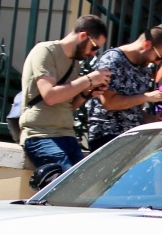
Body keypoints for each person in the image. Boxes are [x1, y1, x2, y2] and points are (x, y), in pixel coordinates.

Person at [18, 14, 111, 172]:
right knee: (66, 184)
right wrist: (88, 79)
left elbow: (68, 106)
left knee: (85, 182)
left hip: (66, 134)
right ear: (83, 36)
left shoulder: (75, 64)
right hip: (40, 134)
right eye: (94, 47)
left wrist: (86, 93)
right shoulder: (45, 51)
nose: (94, 53)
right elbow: (50, 96)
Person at [85, 27, 162, 151]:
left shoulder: (143, 68)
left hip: (132, 138)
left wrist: (153, 119)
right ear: (147, 45)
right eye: (158, 57)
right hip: (107, 137)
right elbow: (109, 102)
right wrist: (146, 97)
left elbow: (134, 109)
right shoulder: (113, 60)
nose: (158, 63)